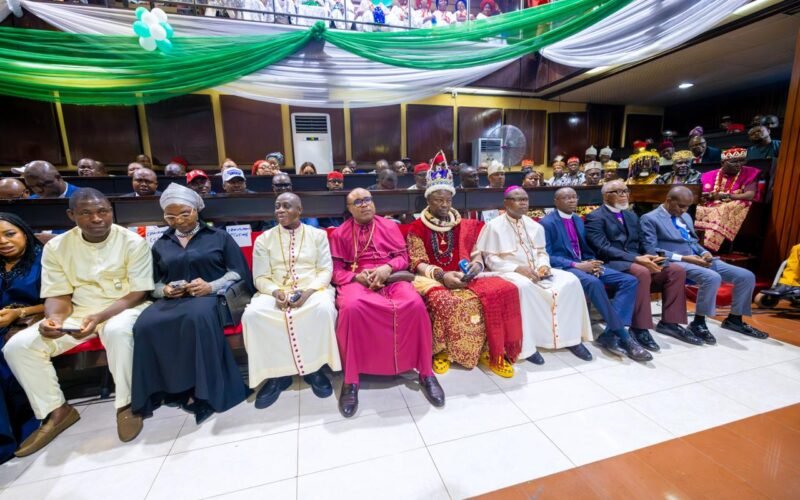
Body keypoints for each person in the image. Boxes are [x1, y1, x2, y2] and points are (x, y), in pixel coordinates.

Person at [3, 189, 154, 456]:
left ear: (111, 212)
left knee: (119, 332)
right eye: (86, 213)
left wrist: (100, 317)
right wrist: (54, 319)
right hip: (78, 311)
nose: (96, 218)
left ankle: (127, 404)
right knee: (18, 346)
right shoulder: (56, 247)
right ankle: (56, 410)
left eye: (102, 211)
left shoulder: (132, 241)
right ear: (71, 215)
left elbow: (138, 292)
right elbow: (57, 293)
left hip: (123, 307)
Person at [131, 184, 249, 424]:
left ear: (196, 211)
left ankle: (203, 394)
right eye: (171, 216)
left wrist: (211, 285)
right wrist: (164, 290)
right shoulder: (161, 243)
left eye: (185, 213)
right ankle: (166, 389)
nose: (179, 220)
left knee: (197, 319)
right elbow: (152, 283)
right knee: (145, 324)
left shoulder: (219, 237)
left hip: (209, 298)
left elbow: (238, 272)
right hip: (173, 300)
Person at [330, 188, 444, 417]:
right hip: (358, 280)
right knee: (351, 309)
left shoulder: (390, 226)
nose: (364, 205)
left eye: (368, 200)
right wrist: (357, 277)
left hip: (391, 278)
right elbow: (335, 270)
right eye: (357, 202)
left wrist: (387, 267)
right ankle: (351, 380)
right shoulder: (339, 233)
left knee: (414, 304)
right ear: (350, 209)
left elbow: (404, 258)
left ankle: (425, 372)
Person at [406, 167, 523, 377]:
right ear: (428, 201)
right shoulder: (417, 228)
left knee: (503, 291)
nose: (444, 204)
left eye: (448, 200)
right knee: (447, 301)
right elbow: (418, 263)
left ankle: (490, 350)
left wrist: (477, 264)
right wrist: (443, 276)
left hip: (465, 274)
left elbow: (476, 253)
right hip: (431, 277)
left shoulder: (464, 225)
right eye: (438, 200)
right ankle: (441, 351)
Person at [241, 193, 340, 409]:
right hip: (274, 290)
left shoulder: (317, 235)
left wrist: (308, 292)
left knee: (323, 310)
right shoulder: (263, 239)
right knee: (253, 315)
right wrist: (276, 292)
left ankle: (314, 370)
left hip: (313, 289)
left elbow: (325, 270)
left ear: (300, 210)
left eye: (287, 206)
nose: (280, 211)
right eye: (277, 206)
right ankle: (276, 375)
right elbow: (259, 277)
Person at [476, 187, 594, 365]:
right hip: (507, 272)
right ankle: (527, 346)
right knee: (524, 288)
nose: (523, 203)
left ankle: (572, 339)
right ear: (506, 203)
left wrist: (544, 266)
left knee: (571, 281)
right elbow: (490, 259)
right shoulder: (493, 227)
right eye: (518, 199)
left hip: (536, 271)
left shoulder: (535, 226)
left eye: (525, 199)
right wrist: (517, 268)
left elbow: (541, 252)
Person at [641, 186, 767, 341]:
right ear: (668, 200)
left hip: (697, 258)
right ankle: (699, 323)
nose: (684, 210)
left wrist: (704, 253)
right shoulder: (650, 218)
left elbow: (693, 242)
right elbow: (651, 250)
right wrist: (685, 258)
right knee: (711, 277)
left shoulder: (686, 216)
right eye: (680, 206)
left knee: (745, 276)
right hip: (675, 262)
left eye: (687, 206)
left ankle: (735, 319)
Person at [540, 188, 651, 361]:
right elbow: (546, 255)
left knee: (629, 281)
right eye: (566, 198)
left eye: (574, 197)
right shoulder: (547, 223)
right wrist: (575, 264)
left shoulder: (577, 219)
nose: (571, 201)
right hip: (565, 267)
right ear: (556, 201)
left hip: (585, 263)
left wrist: (593, 263)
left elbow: (586, 248)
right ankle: (623, 335)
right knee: (594, 283)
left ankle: (609, 334)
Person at [585, 181, 691, 350]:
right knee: (641, 272)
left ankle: (670, 322)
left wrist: (653, 257)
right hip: (612, 262)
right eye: (618, 191)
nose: (623, 195)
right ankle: (639, 327)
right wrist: (636, 259)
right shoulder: (595, 217)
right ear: (606, 195)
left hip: (637, 259)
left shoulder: (631, 216)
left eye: (625, 191)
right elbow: (602, 247)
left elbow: (643, 242)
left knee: (675, 270)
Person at [0, 214, 42, 463]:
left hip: (28, 321)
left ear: (24, 231)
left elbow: (60, 301)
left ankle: (8, 435)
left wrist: (19, 312)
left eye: (9, 233)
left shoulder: (45, 258)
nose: (3, 242)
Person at [695, 147, 760, 251]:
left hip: (732, 203)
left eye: (741, 161)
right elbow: (700, 193)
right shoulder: (709, 175)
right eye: (734, 162)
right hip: (711, 203)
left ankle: (707, 247)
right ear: (722, 163)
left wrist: (724, 196)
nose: (738, 164)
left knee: (725, 209)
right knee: (695, 208)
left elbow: (749, 195)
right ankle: (692, 243)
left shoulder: (749, 172)